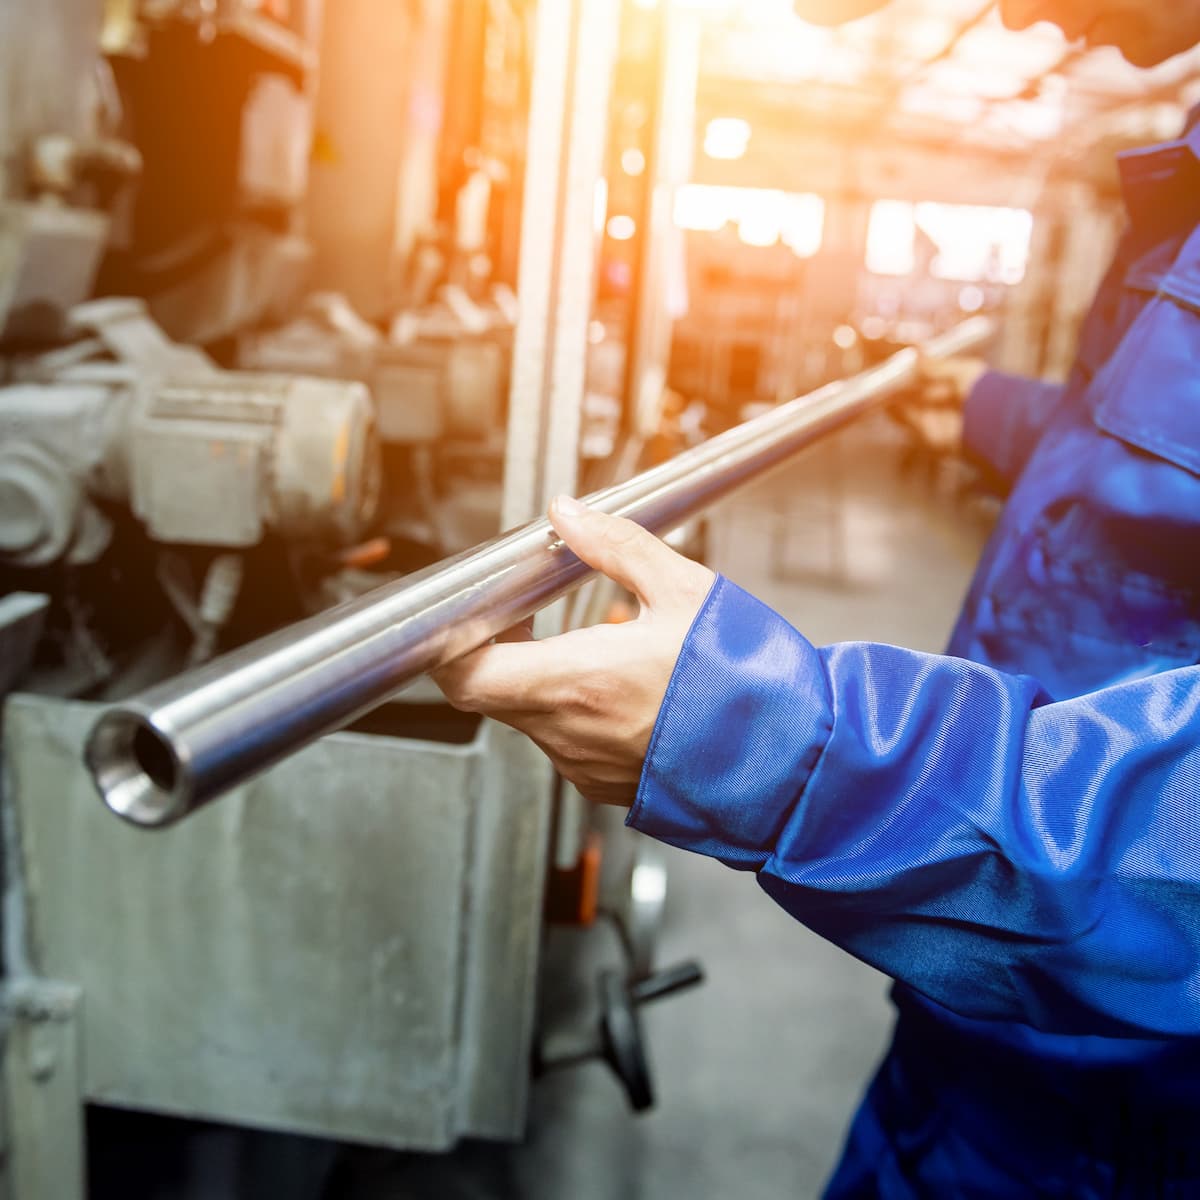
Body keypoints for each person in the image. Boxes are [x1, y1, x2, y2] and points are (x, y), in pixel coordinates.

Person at [435, 0, 1200, 1193]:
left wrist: (790, 753)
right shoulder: (1182, 177)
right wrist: (989, 411)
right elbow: (1138, 467)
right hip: (986, 1002)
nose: (1008, 13)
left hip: (1141, 1097)